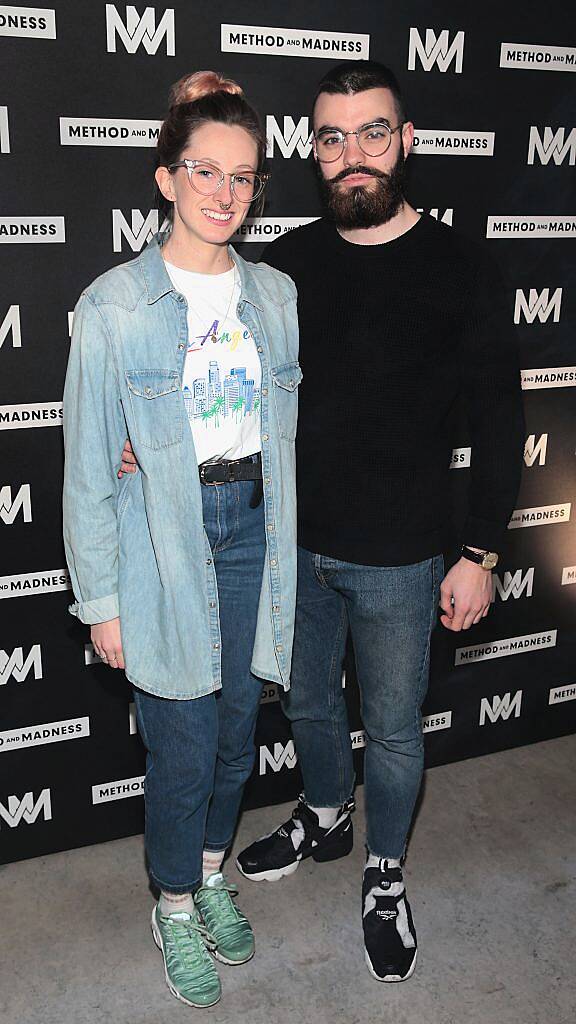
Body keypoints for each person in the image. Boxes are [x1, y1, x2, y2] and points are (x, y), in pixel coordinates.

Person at [233, 61, 525, 983]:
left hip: (404, 558)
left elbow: (502, 419)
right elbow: (234, 392)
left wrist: (480, 551)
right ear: (312, 151)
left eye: (371, 133)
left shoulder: (461, 265)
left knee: (394, 730)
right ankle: (325, 813)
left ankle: (386, 872)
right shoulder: (286, 266)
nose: (352, 155)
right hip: (298, 546)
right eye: (332, 138)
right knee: (310, 703)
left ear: (405, 140)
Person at [62, 70, 300, 1009]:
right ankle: (170, 903)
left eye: (243, 177)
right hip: (163, 539)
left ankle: (208, 872)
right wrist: (104, 602)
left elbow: (283, 441)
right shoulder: (115, 305)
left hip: (252, 532)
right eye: (205, 170)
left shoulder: (276, 293)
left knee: (239, 734)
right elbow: (87, 466)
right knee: (184, 746)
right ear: (167, 178)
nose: (224, 193)